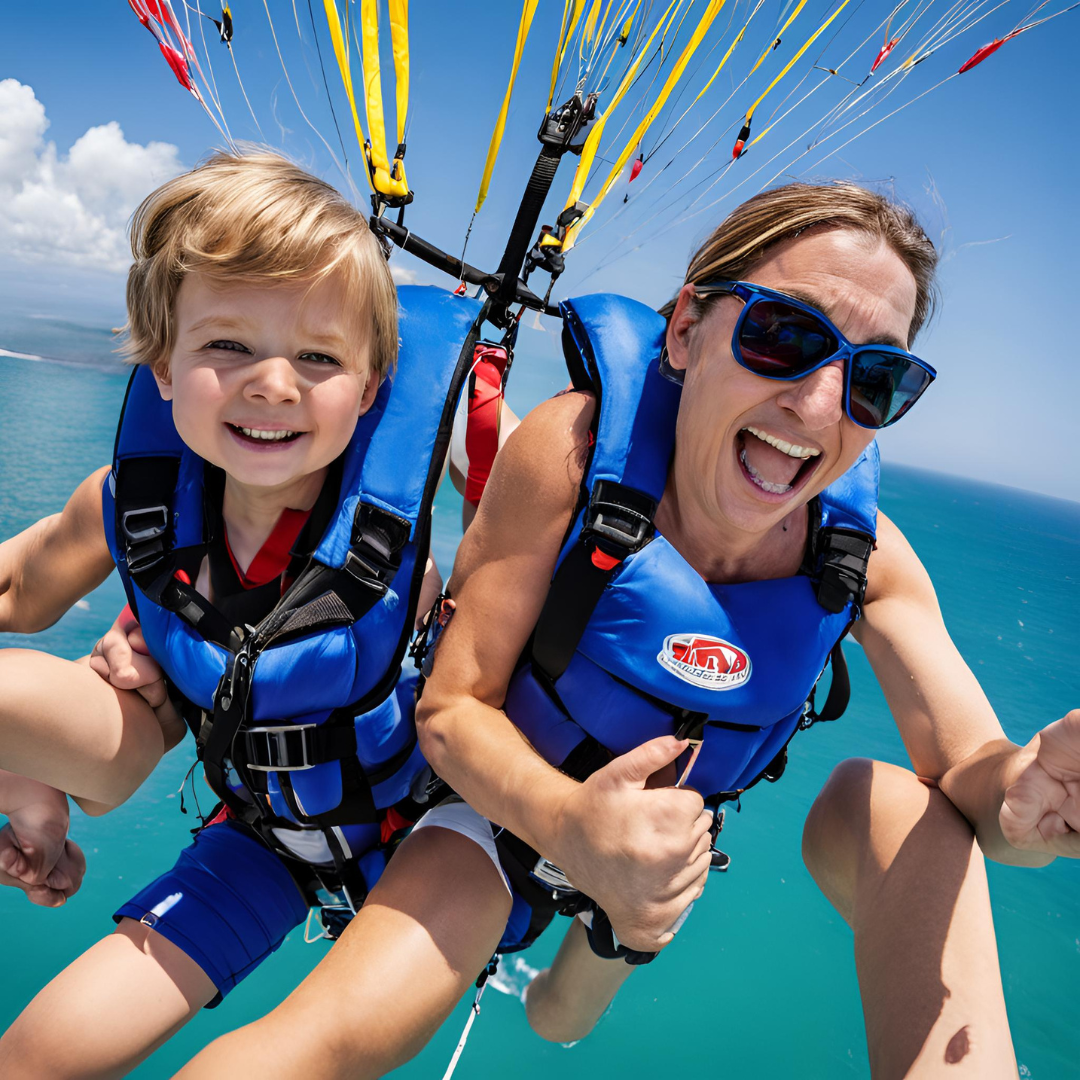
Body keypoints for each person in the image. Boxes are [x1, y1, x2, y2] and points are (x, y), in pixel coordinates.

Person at [171, 181, 1078, 1080]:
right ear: (686, 330)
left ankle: (567, 973)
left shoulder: (862, 554)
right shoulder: (570, 458)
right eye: (784, 337)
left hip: (652, 861)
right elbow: (452, 709)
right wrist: (569, 823)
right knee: (322, 1045)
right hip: (490, 807)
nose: (821, 404)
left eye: (876, 377)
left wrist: (1025, 794)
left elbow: (971, 777)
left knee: (561, 1019)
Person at [0, 149, 483, 1078]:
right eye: (228, 345)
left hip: (428, 833)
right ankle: (27, 782)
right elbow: (20, 589)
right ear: (162, 364)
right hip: (265, 837)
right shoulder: (135, 506)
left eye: (316, 356)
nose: (272, 383)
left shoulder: (413, 537)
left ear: (372, 386)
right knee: (33, 1058)